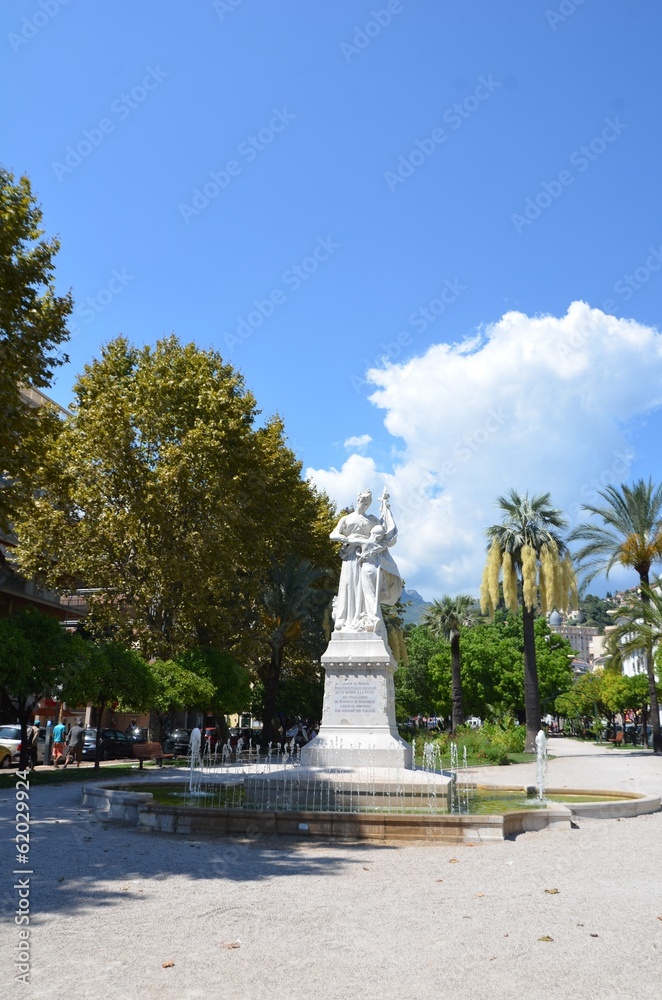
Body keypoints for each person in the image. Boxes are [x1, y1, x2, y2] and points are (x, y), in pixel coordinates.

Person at [329, 488, 402, 638]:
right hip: (351, 558)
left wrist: (385, 506)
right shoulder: (346, 518)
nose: (365, 505)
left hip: (368, 560)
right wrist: (345, 539)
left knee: (365, 589)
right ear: (358, 500)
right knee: (349, 585)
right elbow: (333, 534)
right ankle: (345, 620)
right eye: (363, 501)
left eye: (367, 503)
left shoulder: (373, 520)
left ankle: (365, 618)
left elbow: (385, 531)